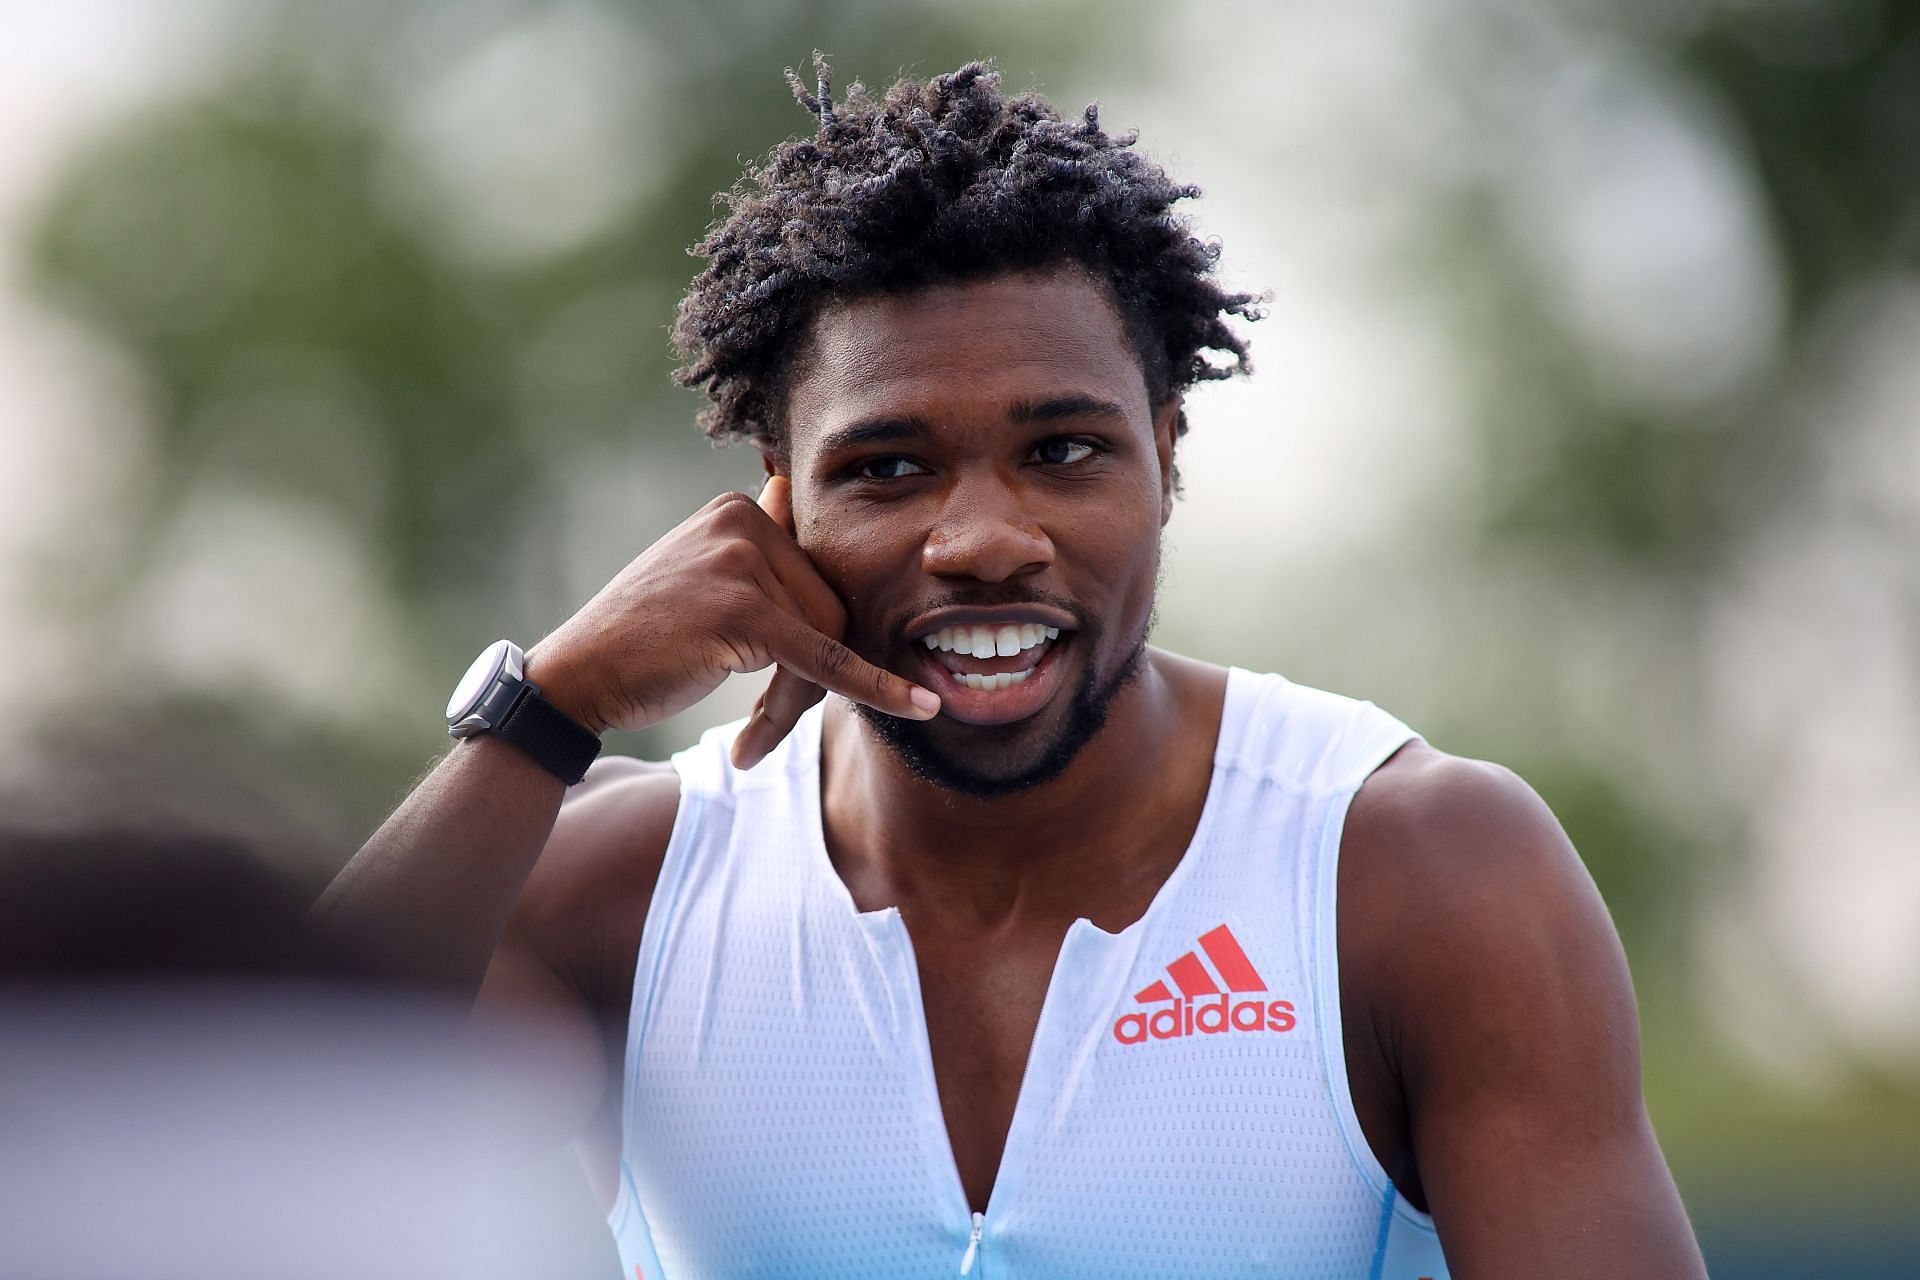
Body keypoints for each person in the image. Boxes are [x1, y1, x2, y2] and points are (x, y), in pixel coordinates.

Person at [318, 59, 1708, 1278]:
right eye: (888, 468)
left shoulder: (1413, 872)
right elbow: (227, 1112)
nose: (984, 539)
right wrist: (547, 709)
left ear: (1167, 456)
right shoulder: (627, 888)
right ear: (778, 502)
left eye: (1062, 450)